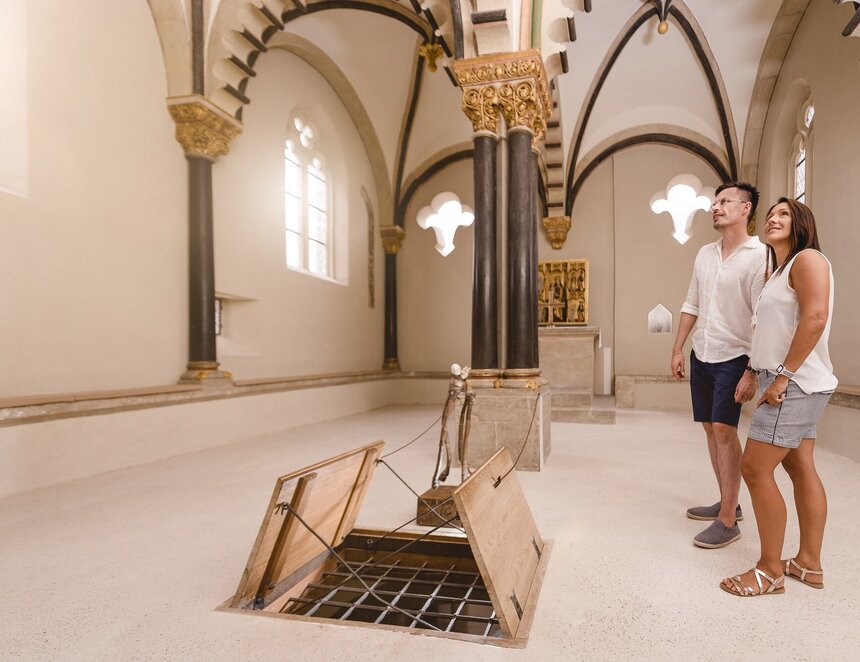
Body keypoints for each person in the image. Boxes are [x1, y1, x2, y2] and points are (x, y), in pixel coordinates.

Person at [721, 198, 836, 596]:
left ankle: (769, 570)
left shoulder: (808, 260)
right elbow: (770, 330)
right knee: (800, 466)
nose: (773, 217)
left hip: (794, 382)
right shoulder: (779, 271)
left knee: (754, 468)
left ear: (802, 221)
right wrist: (753, 371)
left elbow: (815, 318)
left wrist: (782, 378)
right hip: (788, 376)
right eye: (770, 213)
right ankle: (808, 564)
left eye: (783, 213)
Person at [671, 182, 767, 548]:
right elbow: (691, 302)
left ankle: (728, 521)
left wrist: (752, 370)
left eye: (725, 201)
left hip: (735, 356)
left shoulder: (760, 256)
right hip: (703, 353)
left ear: (745, 209)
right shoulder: (704, 254)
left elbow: (762, 317)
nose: (716, 207)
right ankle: (730, 502)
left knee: (726, 431)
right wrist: (679, 348)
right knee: (711, 429)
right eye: (714, 202)